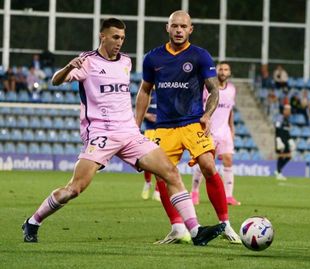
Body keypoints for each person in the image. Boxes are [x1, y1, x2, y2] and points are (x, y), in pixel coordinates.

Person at [21, 18, 225, 246]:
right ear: (103, 36)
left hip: (129, 133)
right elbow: (55, 80)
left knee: (171, 172)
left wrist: (136, 123)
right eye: (115, 37)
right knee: (74, 189)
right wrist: (69, 67)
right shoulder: (87, 61)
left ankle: (195, 231)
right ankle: (33, 221)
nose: (119, 42)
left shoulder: (126, 62)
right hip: (101, 134)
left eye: (122, 38)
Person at [135, 10, 241, 244]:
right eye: (175, 26)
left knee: (209, 166)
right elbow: (144, 90)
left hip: (193, 122)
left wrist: (207, 114)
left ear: (190, 29)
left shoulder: (200, 56)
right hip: (164, 127)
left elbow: (214, 90)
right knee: (162, 176)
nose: (179, 30)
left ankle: (225, 224)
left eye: (183, 26)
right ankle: (177, 228)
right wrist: (135, 124)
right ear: (168, 28)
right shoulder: (153, 58)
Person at [190, 62, 241, 206]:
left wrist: (232, 129)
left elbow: (230, 111)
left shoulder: (231, 89)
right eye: (221, 69)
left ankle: (229, 196)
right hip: (208, 131)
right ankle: (194, 192)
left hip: (224, 131)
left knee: (228, 160)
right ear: (216, 71)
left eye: (226, 69)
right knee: (204, 163)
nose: (223, 72)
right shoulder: (207, 88)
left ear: (229, 73)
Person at [140, 91, 161, 201]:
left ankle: (158, 190)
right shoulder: (149, 93)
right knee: (147, 161)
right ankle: (147, 183)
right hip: (149, 131)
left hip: (162, 131)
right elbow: (140, 111)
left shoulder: (165, 92)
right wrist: (148, 115)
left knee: (161, 162)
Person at [274, 104, 295, 180]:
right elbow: (277, 129)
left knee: (289, 156)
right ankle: (278, 172)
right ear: (284, 110)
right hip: (280, 140)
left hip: (286, 140)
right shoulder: (280, 118)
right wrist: (278, 139)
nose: (289, 112)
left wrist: (290, 140)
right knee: (281, 155)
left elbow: (287, 132)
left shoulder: (287, 120)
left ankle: (278, 170)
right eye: (288, 110)